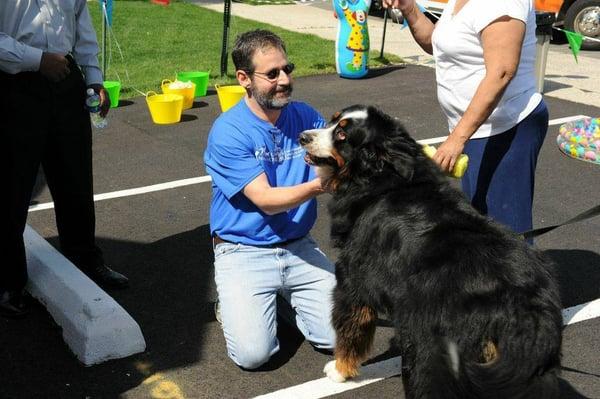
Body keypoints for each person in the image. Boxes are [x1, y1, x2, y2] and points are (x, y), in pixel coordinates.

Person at [204, 29, 336, 369]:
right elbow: (265, 199)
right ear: (244, 78)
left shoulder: (307, 117)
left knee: (342, 337)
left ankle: (283, 300)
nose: (284, 80)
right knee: (254, 356)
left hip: (298, 244)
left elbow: (334, 164)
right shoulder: (228, 130)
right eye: (272, 74)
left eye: (287, 69)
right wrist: (321, 186)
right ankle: (242, 300)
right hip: (242, 249)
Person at [0, 0, 129, 319]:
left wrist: (94, 77)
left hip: (64, 80)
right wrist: (37, 60)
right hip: (14, 84)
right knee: (12, 186)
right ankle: (8, 282)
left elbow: (81, 24)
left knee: (76, 179)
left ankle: (86, 260)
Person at [383, 0, 549, 235]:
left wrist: (457, 139)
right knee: (482, 223)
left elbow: (502, 72)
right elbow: (436, 42)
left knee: (506, 235)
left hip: (505, 127)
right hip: (476, 129)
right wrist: (409, 8)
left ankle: (516, 273)